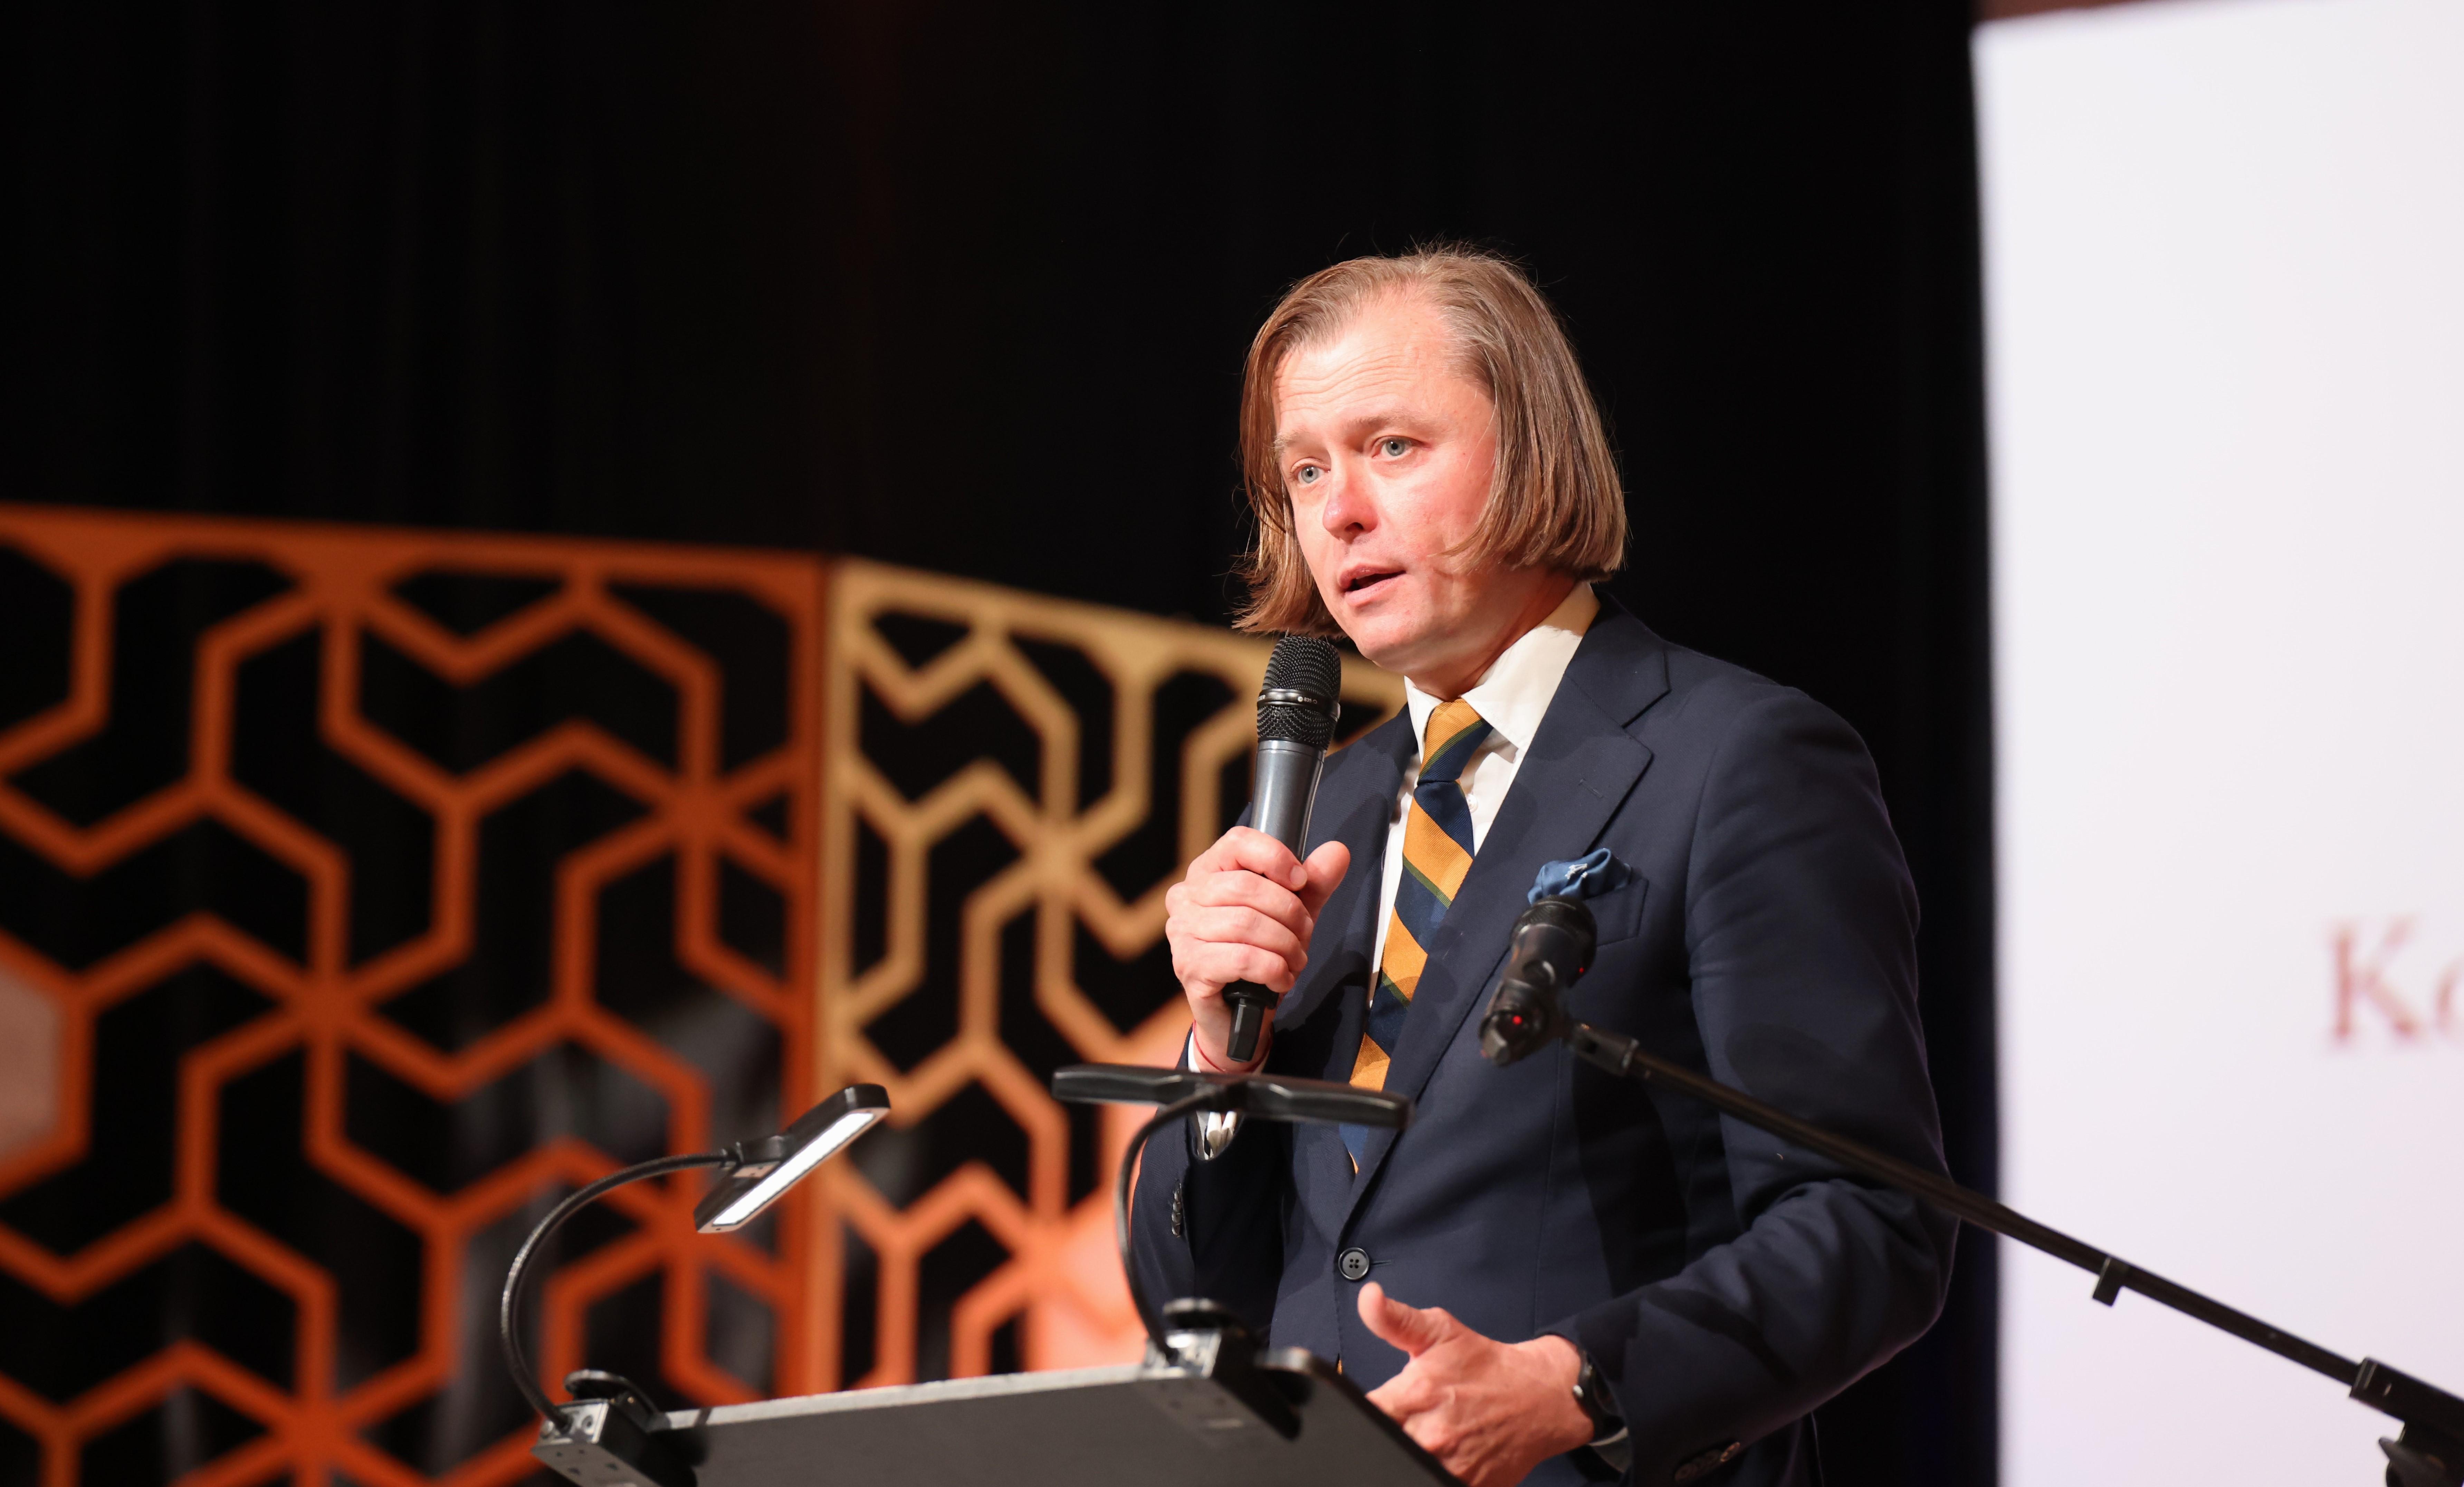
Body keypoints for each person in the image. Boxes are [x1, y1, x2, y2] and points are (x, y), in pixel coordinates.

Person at [1131, 248, 1954, 1487]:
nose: (1339, 510)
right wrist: (1218, 1058)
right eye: (1305, 470)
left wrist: (1579, 1381)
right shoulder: (1314, 813)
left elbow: (1871, 1222)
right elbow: (1196, 1297)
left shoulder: (1737, 761)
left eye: (1392, 446)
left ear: (1530, 449)